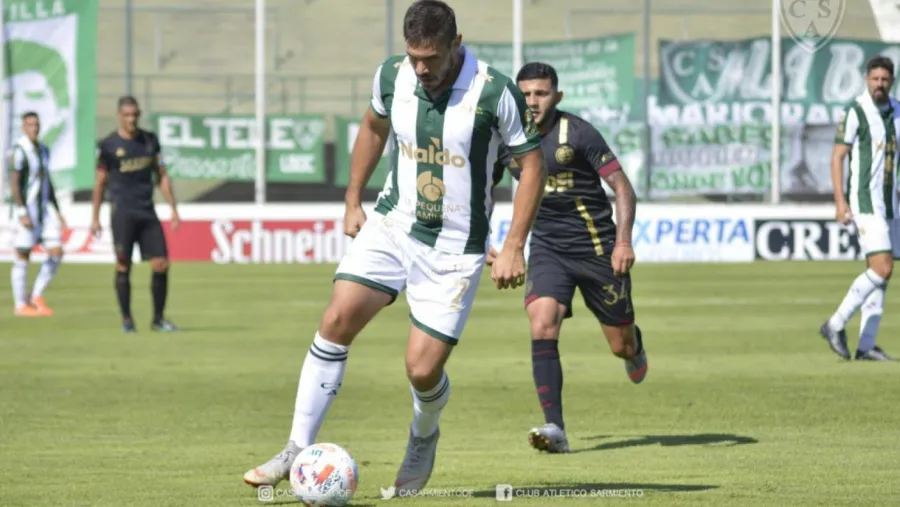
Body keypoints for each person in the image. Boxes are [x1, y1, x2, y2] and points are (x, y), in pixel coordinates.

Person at [243, 0, 545, 495]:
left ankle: (424, 433)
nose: (421, 68)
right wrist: (352, 197)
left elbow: (531, 166)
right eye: (413, 56)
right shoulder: (392, 75)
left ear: (456, 44)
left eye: (431, 58)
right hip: (393, 223)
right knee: (337, 318)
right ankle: (297, 446)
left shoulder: (495, 92)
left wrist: (514, 244)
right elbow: (373, 127)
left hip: (455, 247)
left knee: (422, 370)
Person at [488, 62, 646, 454]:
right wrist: (492, 245)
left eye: (541, 94)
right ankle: (554, 428)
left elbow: (623, 189)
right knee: (542, 321)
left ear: (557, 97)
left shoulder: (578, 134)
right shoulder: (506, 139)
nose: (532, 101)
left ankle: (635, 346)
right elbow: (482, 191)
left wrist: (623, 242)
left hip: (597, 251)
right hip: (547, 250)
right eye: (525, 94)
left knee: (620, 346)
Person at [820, 55, 899, 362]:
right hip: (865, 203)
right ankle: (835, 323)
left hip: (890, 202)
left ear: (891, 81)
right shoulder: (856, 111)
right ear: (867, 79)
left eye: (885, 79)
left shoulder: (897, 110)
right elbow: (837, 156)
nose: (879, 84)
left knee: (881, 272)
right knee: (882, 268)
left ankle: (867, 345)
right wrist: (840, 202)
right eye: (875, 79)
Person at [91, 96, 181, 333]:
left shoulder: (150, 141)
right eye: (127, 115)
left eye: (135, 115)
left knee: (161, 264)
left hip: (146, 211)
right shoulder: (109, 145)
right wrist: (95, 217)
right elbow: (100, 183)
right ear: (119, 115)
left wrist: (173, 207)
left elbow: (161, 174)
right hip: (122, 213)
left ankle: (158, 319)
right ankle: (127, 320)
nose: (132, 120)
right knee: (123, 264)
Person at [8, 111, 66, 316]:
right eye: (30, 125)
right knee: (23, 254)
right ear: (24, 127)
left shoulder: (43, 150)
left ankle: (36, 295)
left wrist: (57, 210)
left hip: (44, 211)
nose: (34, 129)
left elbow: (46, 182)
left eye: (36, 125)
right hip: (27, 210)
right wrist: (22, 211)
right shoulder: (19, 151)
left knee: (57, 251)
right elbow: (14, 182)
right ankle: (20, 305)